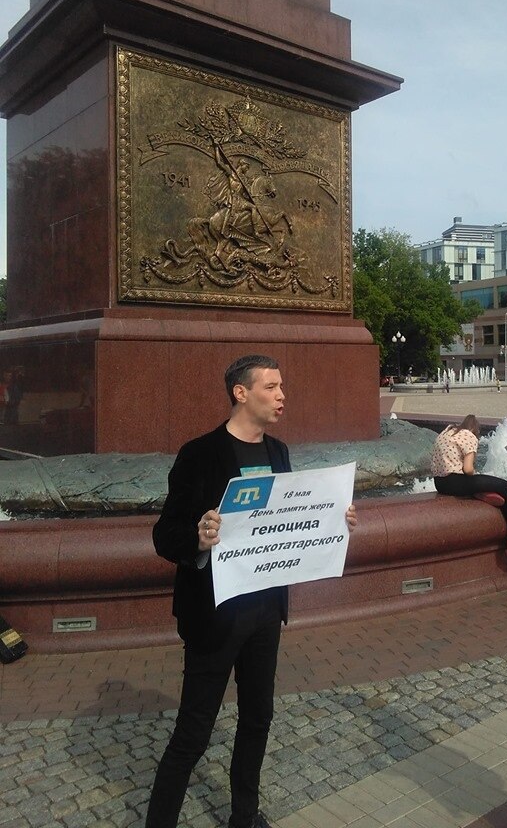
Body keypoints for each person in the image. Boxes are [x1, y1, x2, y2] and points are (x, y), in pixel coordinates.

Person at [147, 355, 357, 828]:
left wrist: (334, 520)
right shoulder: (200, 454)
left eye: (282, 386)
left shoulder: (278, 452)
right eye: (271, 387)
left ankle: (244, 816)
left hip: (265, 609)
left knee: (258, 717)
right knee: (194, 733)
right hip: (216, 613)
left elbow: (286, 517)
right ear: (241, 393)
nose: (282, 395)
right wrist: (197, 537)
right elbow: (165, 535)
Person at [431, 414, 507, 549]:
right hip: (455, 481)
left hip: (440, 483)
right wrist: (475, 474)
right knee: (504, 485)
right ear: (475, 430)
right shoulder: (468, 436)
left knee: (478, 483)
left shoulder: (447, 431)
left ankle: (479, 493)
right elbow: (468, 469)